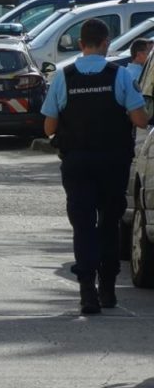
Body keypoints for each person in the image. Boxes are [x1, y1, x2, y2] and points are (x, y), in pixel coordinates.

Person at [42, 18, 149, 314]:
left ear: (80, 45)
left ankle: (87, 293)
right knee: (109, 225)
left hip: (77, 162)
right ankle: (108, 291)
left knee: (84, 227)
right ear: (106, 43)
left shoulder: (64, 76)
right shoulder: (122, 75)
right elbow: (140, 120)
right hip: (113, 163)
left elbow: (49, 126)